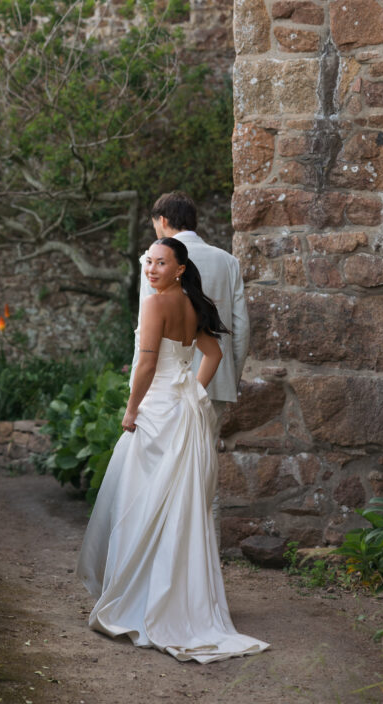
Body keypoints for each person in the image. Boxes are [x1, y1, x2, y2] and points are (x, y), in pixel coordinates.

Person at [76, 237, 269, 663]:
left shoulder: (156, 303)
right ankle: (175, 600)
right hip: (182, 411)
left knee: (141, 503)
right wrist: (192, 392)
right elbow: (214, 354)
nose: (151, 269)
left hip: (157, 412)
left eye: (161, 263)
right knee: (178, 507)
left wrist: (131, 411)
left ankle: (140, 602)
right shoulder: (189, 301)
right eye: (149, 262)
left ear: (179, 267)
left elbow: (145, 365)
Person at [134, 192, 250, 535]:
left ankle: (166, 557)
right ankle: (205, 563)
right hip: (212, 384)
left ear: (164, 221)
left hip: (163, 390)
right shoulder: (227, 261)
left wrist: (135, 395)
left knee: (160, 472)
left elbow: (146, 336)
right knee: (204, 472)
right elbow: (241, 328)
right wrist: (230, 377)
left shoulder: (154, 261)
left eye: (156, 224)